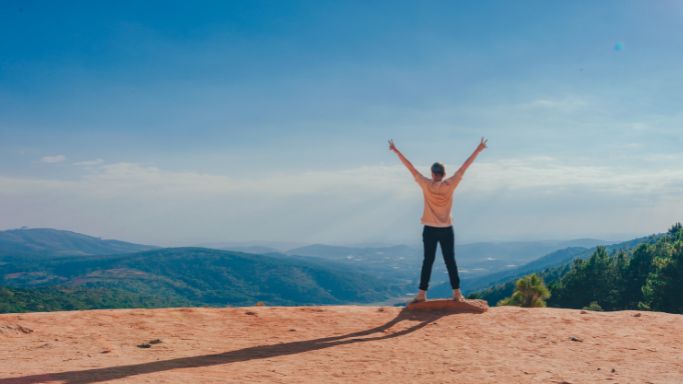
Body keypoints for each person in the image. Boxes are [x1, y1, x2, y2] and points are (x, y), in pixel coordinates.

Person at [389, 137, 488, 303]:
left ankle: (422, 294)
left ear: (433, 173)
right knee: (450, 261)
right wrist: (478, 149)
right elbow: (465, 166)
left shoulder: (425, 184)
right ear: (444, 174)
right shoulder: (451, 184)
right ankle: (457, 293)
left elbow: (410, 167)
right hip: (447, 228)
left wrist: (396, 150)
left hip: (429, 229)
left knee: (428, 261)